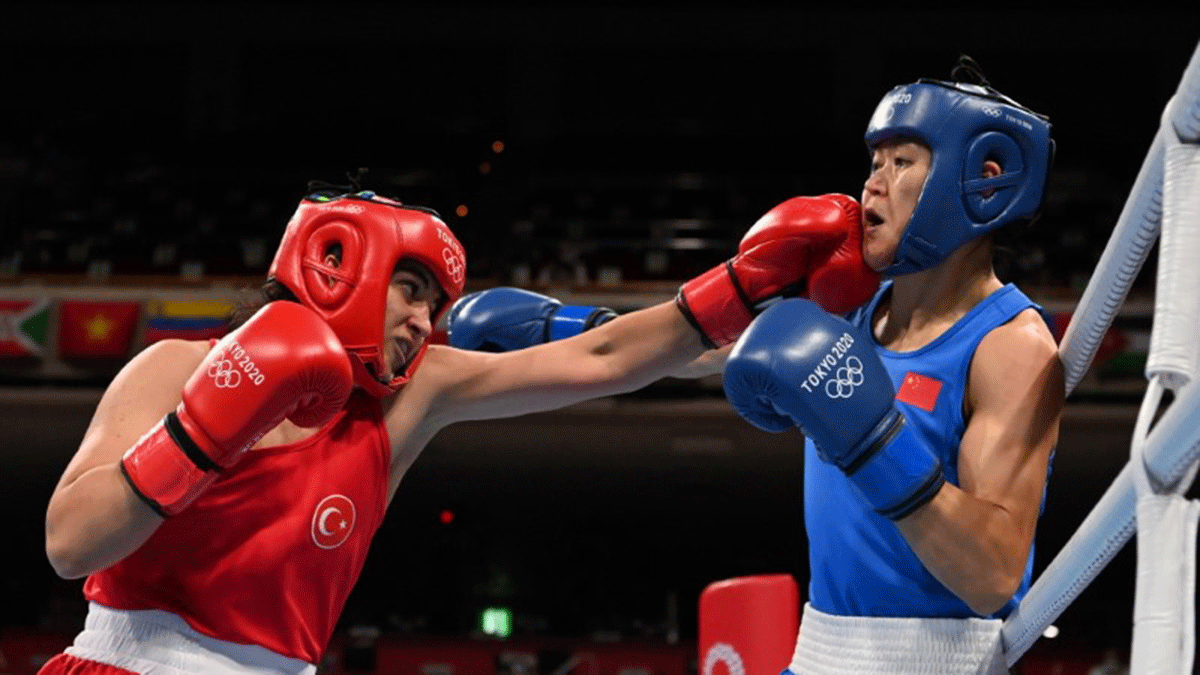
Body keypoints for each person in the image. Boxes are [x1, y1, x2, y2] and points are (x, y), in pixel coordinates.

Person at [40, 185, 879, 674]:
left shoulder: (408, 398)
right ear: (337, 261)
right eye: (411, 290)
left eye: (436, 306)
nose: (423, 321)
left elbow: (608, 357)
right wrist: (206, 428)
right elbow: (71, 545)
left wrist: (743, 282)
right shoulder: (173, 368)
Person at [456, 58, 1065, 674]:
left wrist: (873, 445)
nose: (873, 185)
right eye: (873, 163)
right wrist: (554, 327)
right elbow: (690, 346)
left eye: (901, 163)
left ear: (981, 179)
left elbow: (991, 574)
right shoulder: (846, 304)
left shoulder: (1009, 345)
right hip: (819, 655)